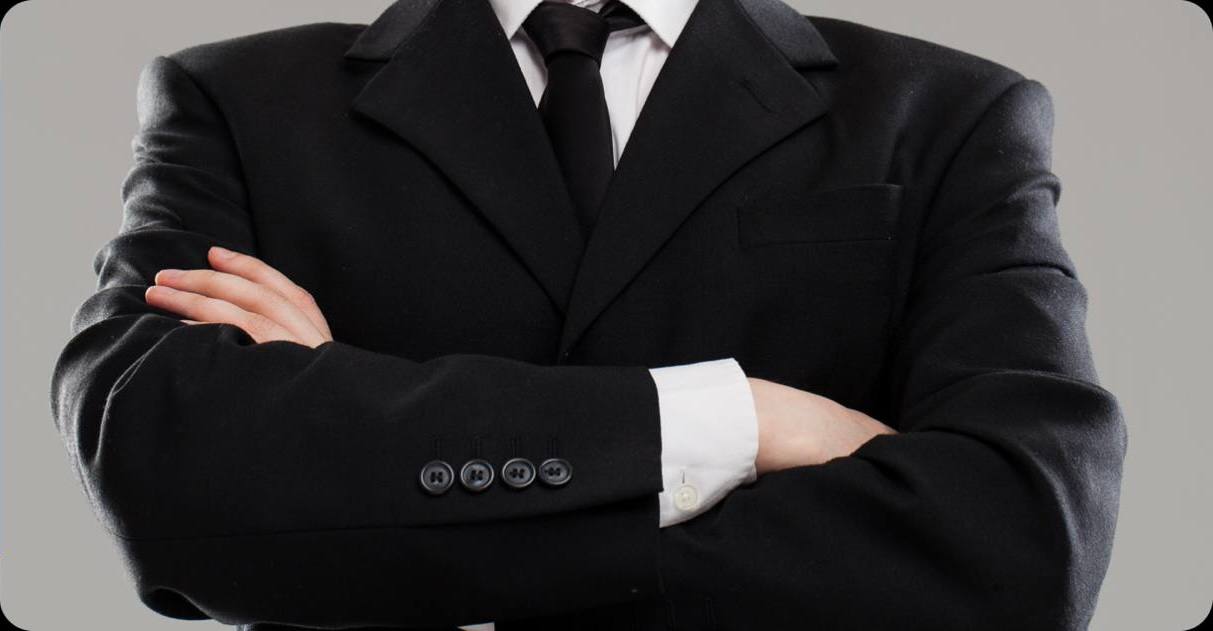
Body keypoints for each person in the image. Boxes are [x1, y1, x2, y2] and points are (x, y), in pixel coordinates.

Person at [48, 0, 1127, 629]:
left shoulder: (946, 113)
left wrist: (352, 472)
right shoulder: (239, 101)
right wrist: (741, 420)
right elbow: (163, 461)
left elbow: (1024, 537)